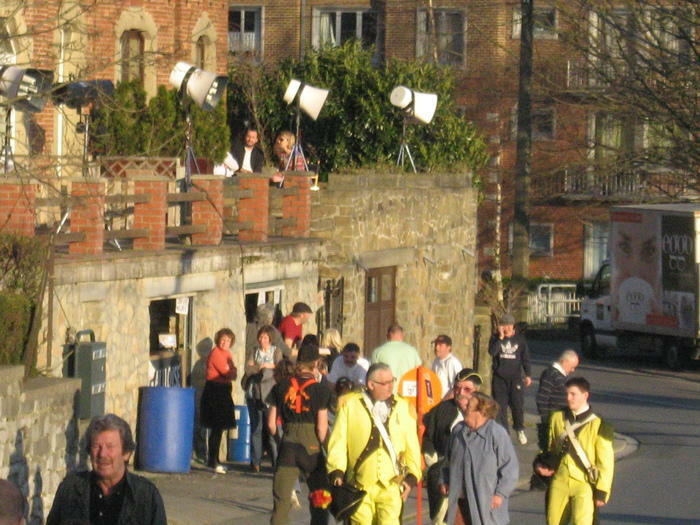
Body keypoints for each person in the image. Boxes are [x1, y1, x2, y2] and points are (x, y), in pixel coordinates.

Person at [327, 363, 422, 524]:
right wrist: (336, 470)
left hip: (392, 485)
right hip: (359, 484)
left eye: (392, 381)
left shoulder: (404, 407)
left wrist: (412, 476)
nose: (390, 387)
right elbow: (339, 441)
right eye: (385, 383)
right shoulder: (349, 404)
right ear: (371, 384)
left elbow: (412, 445)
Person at [46, 414, 166, 525]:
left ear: (126, 453)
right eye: (96, 446)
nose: (102, 454)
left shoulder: (145, 496)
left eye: (110, 447)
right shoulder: (70, 490)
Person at [534, 377, 615, 525]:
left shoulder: (599, 425)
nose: (568, 398)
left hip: (583, 482)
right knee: (554, 521)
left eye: (573, 394)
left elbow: (606, 462)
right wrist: (540, 465)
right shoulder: (557, 418)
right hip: (559, 480)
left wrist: (602, 491)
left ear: (585, 395)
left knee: (582, 522)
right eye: (567, 394)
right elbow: (550, 449)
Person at [267, 343, 331, 525]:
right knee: (320, 498)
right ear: (317, 363)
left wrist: (282, 441)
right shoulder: (321, 390)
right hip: (312, 449)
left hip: (288, 446)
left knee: (281, 503)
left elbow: (271, 425)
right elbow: (321, 428)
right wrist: (329, 450)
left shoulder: (280, 386)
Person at [441, 392, 519, 525]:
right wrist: (443, 480)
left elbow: (510, 468)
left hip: (485, 504)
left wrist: (500, 494)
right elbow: (447, 461)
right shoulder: (458, 431)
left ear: (481, 411)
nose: (464, 406)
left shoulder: (497, 434)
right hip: (460, 503)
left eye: (469, 405)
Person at [422, 369, 482, 525]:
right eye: (457, 388)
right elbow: (429, 438)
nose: (460, 393)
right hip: (444, 475)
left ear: (476, 391)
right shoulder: (442, 410)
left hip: (475, 477)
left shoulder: (485, 412)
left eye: (466, 389)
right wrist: (432, 460)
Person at [243, 325, 284, 472]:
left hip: (270, 395)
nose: (262, 340)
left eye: (265, 337)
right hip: (254, 393)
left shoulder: (276, 351)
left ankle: (276, 460)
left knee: (272, 427)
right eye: (260, 337)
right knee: (256, 427)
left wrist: (267, 366)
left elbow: (280, 368)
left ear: (270, 338)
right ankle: (255, 462)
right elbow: (248, 369)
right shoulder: (254, 351)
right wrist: (263, 367)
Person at [489, 313, 532, 444]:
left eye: (508, 325)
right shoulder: (496, 338)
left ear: (513, 326)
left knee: (517, 405)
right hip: (499, 379)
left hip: (515, 379)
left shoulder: (520, 340)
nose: (506, 328)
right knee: (500, 408)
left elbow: (525, 358)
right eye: (503, 325)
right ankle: (504, 433)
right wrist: (501, 338)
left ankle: (519, 429)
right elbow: (492, 352)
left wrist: (528, 374)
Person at [200, 328, 238, 474]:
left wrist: (231, 371)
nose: (225, 342)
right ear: (218, 339)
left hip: (224, 390)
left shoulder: (227, 353)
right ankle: (212, 460)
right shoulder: (216, 353)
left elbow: (234, 372)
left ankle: (215, 458)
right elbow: (227, 371)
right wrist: (230, 371)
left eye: (228, 340)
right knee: (216, 426)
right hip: (214, 390)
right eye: (223, 339)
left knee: (221, 427)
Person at [536, 350, 579, 451]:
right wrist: (546, 420)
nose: (573, 370)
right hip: (551, 420)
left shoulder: (560, 376)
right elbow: (542, 398)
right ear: (564, 362)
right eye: (572, 366)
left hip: (560, 420)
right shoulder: (551, 374)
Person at [370, 323, 422, 389]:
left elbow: (374, 374)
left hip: (387, 391)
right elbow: (420, 371)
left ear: (388, 335)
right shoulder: (412, 351)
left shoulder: (378, 352)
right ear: (402, 335)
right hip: (408, 392)